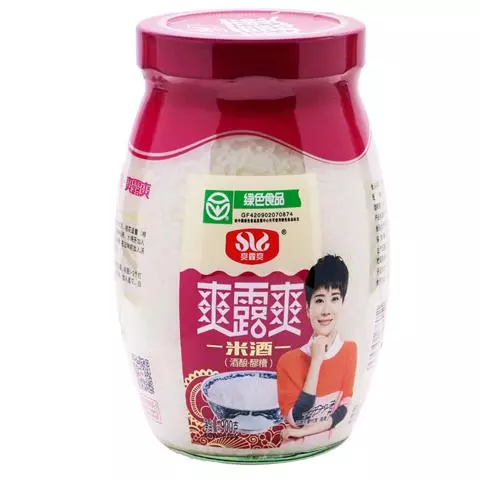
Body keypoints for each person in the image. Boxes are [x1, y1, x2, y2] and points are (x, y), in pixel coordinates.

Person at [276, 254, 357, 443]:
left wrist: (302, 432)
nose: (326, 310)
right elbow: (297, 418)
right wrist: (316, 361)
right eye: (319, 300)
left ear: (343, 304)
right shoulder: (288, 361)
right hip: (294, 448)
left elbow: (345, 407)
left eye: (334, 298)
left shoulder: (349, 350)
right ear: (308, 309)